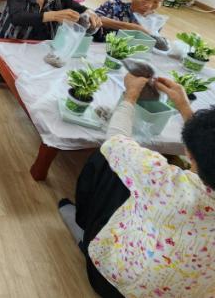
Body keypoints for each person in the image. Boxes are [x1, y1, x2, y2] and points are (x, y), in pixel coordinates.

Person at [58, 73, 215, 297]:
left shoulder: (166, 182)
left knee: (107, 164)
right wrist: (184, 107)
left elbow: (115, 141)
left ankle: (83, 232)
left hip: (112, 283)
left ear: (189, 154)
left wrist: (131, 94)